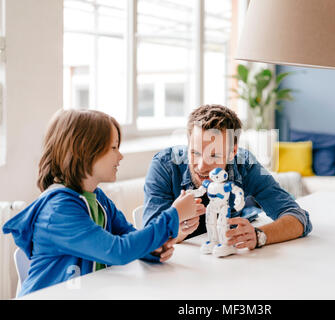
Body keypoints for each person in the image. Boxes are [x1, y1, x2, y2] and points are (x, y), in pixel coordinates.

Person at [2, 109, 202, 297]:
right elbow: (118, 251)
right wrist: (174, 214)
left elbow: (129, 235)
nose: (120, 155)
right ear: (85, 152)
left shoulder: (97, 198)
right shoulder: (58, 211)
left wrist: (150, 250)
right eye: (113, 148)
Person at [143, 104, 312, 252]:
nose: (201, 166)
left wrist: (258, 235)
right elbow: (147, 238)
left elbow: (299, 218)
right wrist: (179, 230)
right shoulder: (164, 165)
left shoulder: (245, 163)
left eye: (214, 155)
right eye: (195, 152)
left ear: (233, 152)